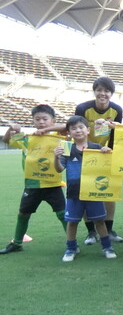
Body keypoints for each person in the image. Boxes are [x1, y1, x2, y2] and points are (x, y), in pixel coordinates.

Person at [0, 105, 67, 254]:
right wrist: (11, 129)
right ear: (33, 121)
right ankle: (17, 243)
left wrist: (46, 130)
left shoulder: (59, 136)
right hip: (32, 185)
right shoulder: (27, 138)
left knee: (63, 214)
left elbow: (68, 126)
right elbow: (6, 140)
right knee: (23, 214)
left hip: (53, 184)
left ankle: (72, 243)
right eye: (37, 119)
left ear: (53, 121)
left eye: (45, 119)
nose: (41, 122)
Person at [53, 116, 115, 261]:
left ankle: (107, 247)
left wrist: (107, 151)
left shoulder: (96, 147)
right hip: (74, 193)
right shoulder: (67, 148)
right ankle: (71, 248)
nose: (78, 130)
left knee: (100, 221)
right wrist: (56, 157)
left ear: (88, 130)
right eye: (73, 128)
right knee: (72, 222)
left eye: (81, 127)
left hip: (94, 192)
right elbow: (59, 169)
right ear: (69, 132)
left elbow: (109, 164)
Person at [74, 77, 123, 246]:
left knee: (108, 191)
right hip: (85, 153)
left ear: (111, 93)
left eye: (107, 91)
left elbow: (116, 134)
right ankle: (91, 232)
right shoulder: (83, 108)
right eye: (99, 90)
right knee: (86, 191)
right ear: (94, 91)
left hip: (106, 154)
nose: (103, 94)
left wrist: (111, 152)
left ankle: (109, 230)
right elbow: (77, 130)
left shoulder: (116, 109)